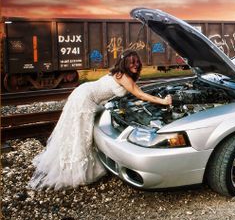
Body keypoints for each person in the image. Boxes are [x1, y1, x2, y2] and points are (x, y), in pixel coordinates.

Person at [28, 50, 172, 190]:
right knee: (81, 135)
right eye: (131, 63)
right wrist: (163, 101)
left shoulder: (117, 73)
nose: (135, 65)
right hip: (85, 99)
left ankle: (70, 165)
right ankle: (74, 172)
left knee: (75, 132)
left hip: (82, 92)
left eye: (137, 62)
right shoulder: (123, 77)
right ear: (124, 63)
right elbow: (140, 95)